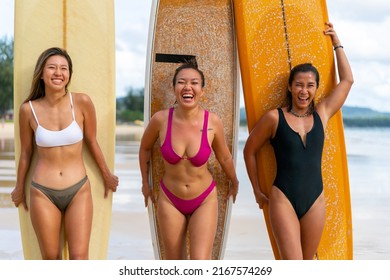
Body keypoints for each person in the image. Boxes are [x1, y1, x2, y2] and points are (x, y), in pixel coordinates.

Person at [243, 22, 353, 260]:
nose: (304, 91)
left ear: (316, 88)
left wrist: (337, 44)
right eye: (299, 85)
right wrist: (256, 190)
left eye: (310, 85)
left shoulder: (321, 114)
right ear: (291, 87)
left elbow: (347, 82)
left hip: (315, 199)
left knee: (308, 264)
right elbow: (249, 150)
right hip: (283, 197)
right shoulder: (275, 118)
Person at [11, 47, 118, 260]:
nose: (58, 73)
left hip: (78, 189)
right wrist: (19, 187)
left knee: (79, 259)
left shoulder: (81, 102)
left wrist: (106, 175)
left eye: (64, 68)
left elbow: (91, 141)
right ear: (42, 73)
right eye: (52, 68)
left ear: (69, 74)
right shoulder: (28, 110)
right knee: (51, 260)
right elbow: (26, 153)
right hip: (42, 192)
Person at [139, 60, 239, 259]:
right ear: (174, 88)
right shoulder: (160, 120)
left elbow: (224, 156)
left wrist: (235, 181)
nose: (188, 87)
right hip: (170, 199)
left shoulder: (213, 122)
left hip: (204, 199)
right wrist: (145, 183)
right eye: (181, 82)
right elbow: (144, 149)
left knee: (200, 263)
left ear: (202, 90)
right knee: (174, 263)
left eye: (194, 82)